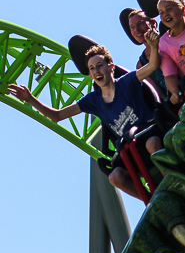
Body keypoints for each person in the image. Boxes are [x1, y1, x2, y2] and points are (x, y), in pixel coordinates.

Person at [8, 37, 163, 199]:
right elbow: (57, 115)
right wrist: (30, 99)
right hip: (132, 149)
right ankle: (154, 202)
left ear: (110, 67)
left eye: (99, 66)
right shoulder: (92, 100)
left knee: (152, 144)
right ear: (90, 75)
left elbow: (152, 66)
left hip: (149, 133)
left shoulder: (127, 81)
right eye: (91, 68)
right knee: (115, 177)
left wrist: (153, 45)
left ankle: (173, 183)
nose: (96, 71)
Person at [127, 9, 167, 95]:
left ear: (153, 23)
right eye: (132, 27)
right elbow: (157, 92)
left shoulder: (169, 38)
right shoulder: (141, 64)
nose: (136, 29)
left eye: (140, 23)